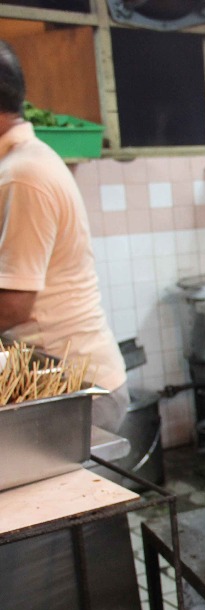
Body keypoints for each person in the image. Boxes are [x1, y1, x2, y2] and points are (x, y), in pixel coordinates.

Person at [0, 41, 127, 431]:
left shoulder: (25, 175)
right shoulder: (17, 166)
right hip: (52, 386)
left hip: (75, 388)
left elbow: (15, 305)